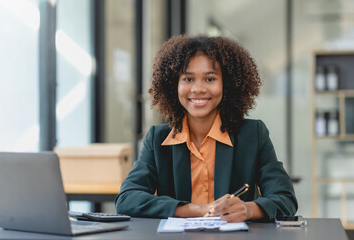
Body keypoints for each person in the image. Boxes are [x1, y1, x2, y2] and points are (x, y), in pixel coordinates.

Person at [115, 34, 297, 222]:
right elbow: (128, 199)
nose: (198, 89)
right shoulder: (157, 138)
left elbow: (285, 199)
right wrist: (197, 210)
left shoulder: (253, 134)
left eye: (210, 79)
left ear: (227, 84)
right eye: (188, 79)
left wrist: (247, 209)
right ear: (173, 85)